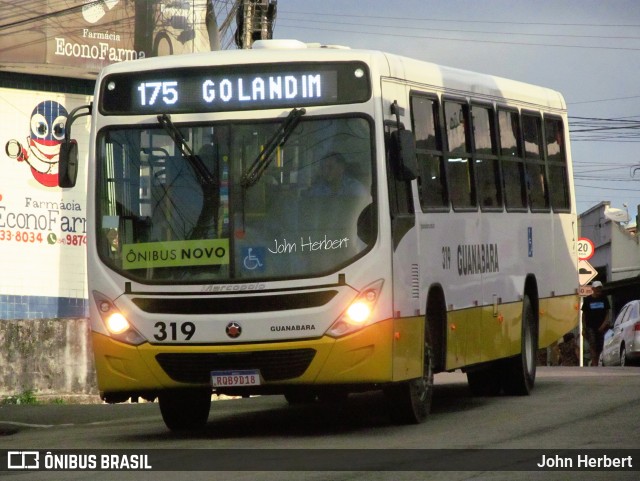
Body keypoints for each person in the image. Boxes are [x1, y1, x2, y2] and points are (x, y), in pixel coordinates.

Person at [581, 281, 611, 366]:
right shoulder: (587, 300)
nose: (599, 290)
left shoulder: (604, 299)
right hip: (590, 327)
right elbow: (584, 315)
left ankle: (596, 361)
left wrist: (604, 325)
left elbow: (607, 313)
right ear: (593, 289)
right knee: (592, 343)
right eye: (597, 288)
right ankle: (594, 363)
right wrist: (584, 328)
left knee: (599, 346)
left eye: (600, 288)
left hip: (601, 327)